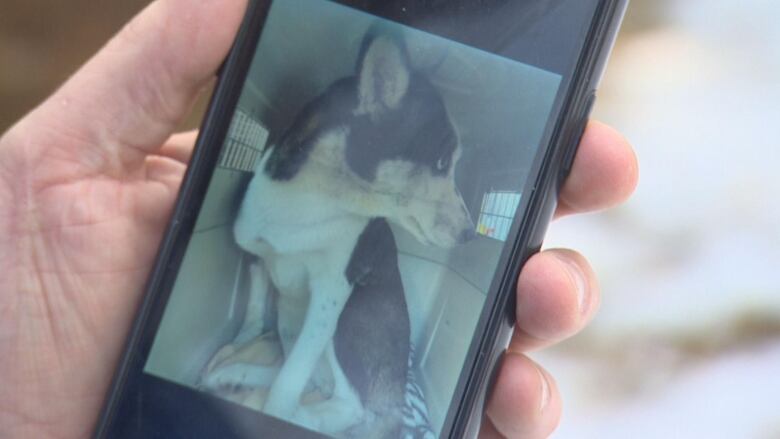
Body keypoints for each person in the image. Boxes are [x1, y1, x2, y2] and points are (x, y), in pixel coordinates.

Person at [0, 0, 638, 438]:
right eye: (437, 166)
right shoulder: (279, 200)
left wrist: (276, 403)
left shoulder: (360, 218)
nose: (456, 210)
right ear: (374, 100)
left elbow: (322, 298)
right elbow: (282, 284)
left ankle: (344, 408)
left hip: (368, 347)